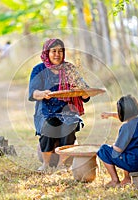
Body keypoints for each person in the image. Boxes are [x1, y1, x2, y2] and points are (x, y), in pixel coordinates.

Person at [28, 38, 90, 171]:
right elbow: (33, 93)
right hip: (46, 109)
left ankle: (62, 165)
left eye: (60, 51)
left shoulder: (70, 69)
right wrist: (43, 93)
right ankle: (45, 164)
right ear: (47, 52)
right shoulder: (39, 69)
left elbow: (85, 95)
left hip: (68, 109)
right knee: (49, 125)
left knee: (70, 124)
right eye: (54, 51)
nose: (57, 54)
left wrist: (80, 90)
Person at [97, 94, 138, 187]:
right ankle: (127, 178)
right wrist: (110, 115)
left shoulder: (126, 127)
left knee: (104, 150)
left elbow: (118, 149)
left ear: (122, 112)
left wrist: (113, 146)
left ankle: (115, 180)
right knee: (129, 148)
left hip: (136, 164)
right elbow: (125, 117)